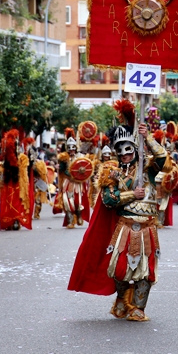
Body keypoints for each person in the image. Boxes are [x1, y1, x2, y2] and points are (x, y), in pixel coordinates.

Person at [68, 111, 167, 322]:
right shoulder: (111, 172)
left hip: (147, 227)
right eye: (120, 152)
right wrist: (133, 194)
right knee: (120, 268)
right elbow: (108, 199)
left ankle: (138, 308)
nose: (125, 155)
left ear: (135, 149)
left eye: (129, 150)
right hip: (125, 225)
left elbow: (162, 157)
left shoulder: (148, 168)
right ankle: (123, 300)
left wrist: (147, 136)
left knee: (145, 269)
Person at [0, 132, 34, 231]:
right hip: (9, 182)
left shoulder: (22, 158)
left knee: (17, 200)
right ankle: (10, 220)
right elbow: (1, 173)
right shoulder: (5, 161)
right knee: (9, 201)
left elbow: (25, 171)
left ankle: (16, 219)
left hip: (18, 182)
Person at [56, 128, 92, 228]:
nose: (71, 150)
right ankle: (70, 221)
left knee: (77, 201)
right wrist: (60, 166)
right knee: (67, 201)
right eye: (69, 148)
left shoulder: (80, 156)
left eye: (73, 148)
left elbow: (86, 168)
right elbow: (62, 170)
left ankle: (79, 214)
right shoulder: (64, 157)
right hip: (67, 182)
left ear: (75, 148)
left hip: (77, 183)